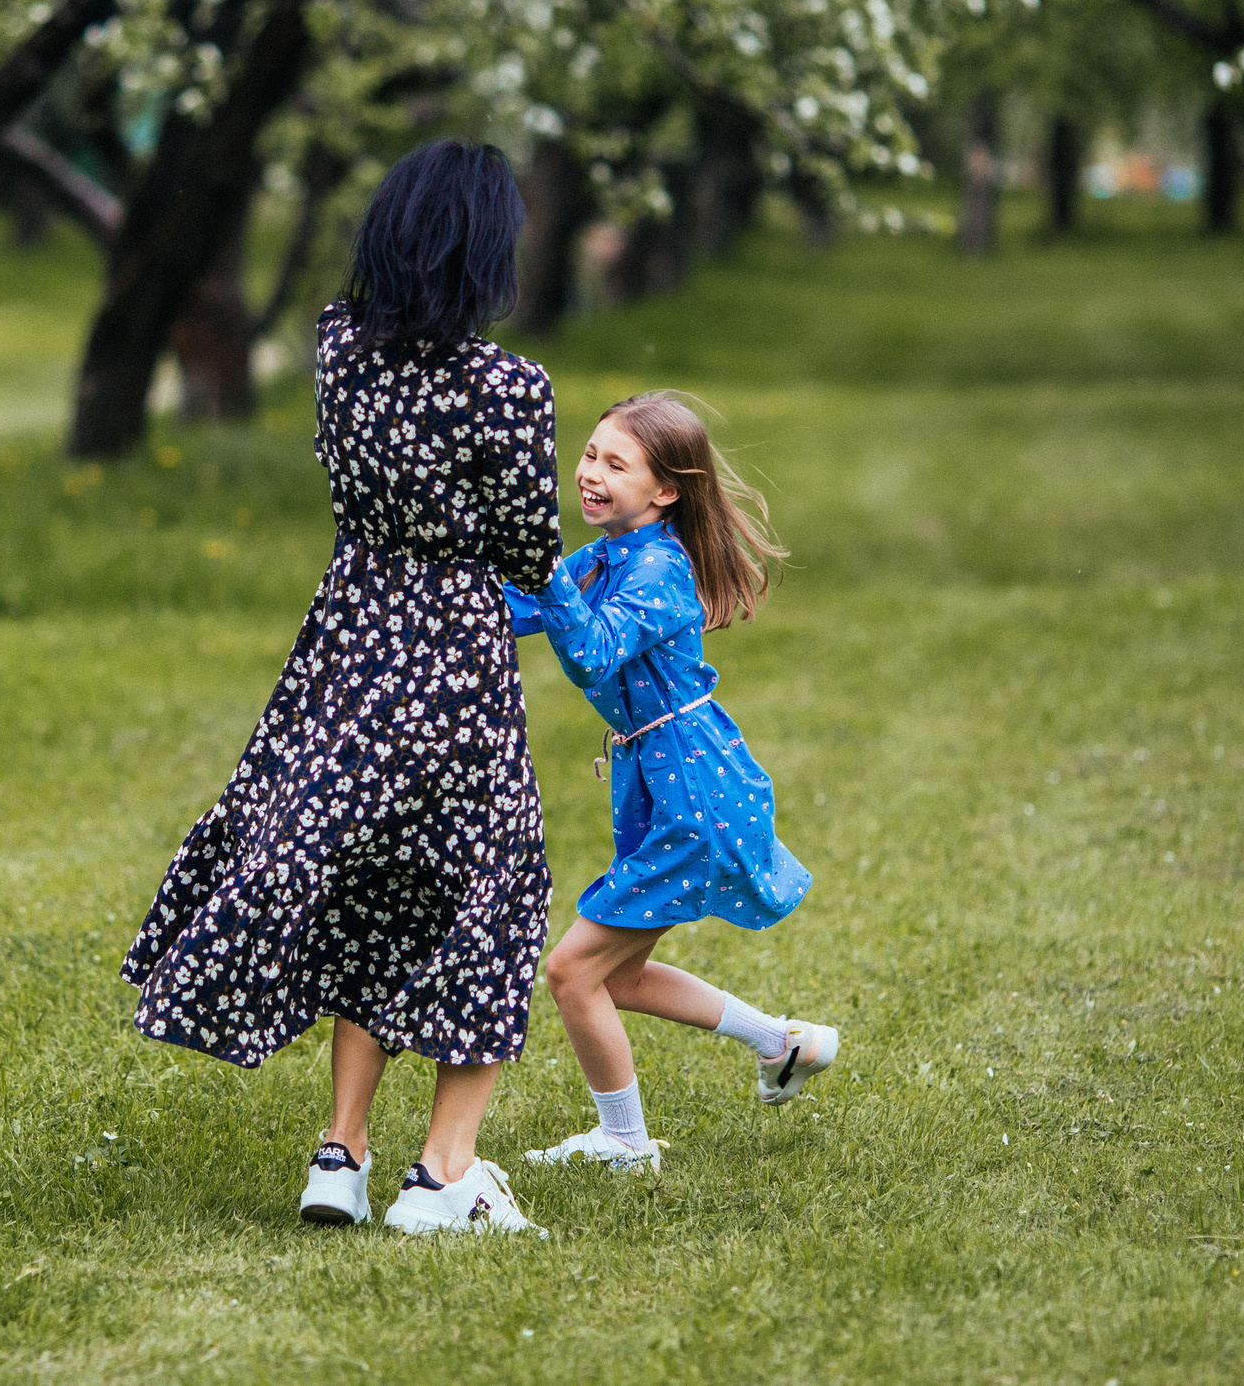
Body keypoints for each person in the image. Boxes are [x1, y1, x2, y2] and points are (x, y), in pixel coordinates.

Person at [122, 140, 559, 1236]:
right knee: (486, 889)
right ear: (484, 249)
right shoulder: (508, 388)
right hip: (453, 653)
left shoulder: (335, 349)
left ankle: (339, 1156)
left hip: (350, 632)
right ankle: (439, 1175)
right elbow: (525, 547)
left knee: (363, 883)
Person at [507, 392, 836, 1173]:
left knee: (571, 972)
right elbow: (529, 608)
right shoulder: (614, 550)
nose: (588, 473)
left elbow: (591, 648)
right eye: (588, 454)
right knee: (613, 975)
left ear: (665, 492)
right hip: (668, 780)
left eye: (615, 464)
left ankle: (624, 1141)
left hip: (695, 793)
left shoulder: (656, 568)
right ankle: (784, 1043)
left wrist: (548, 571)